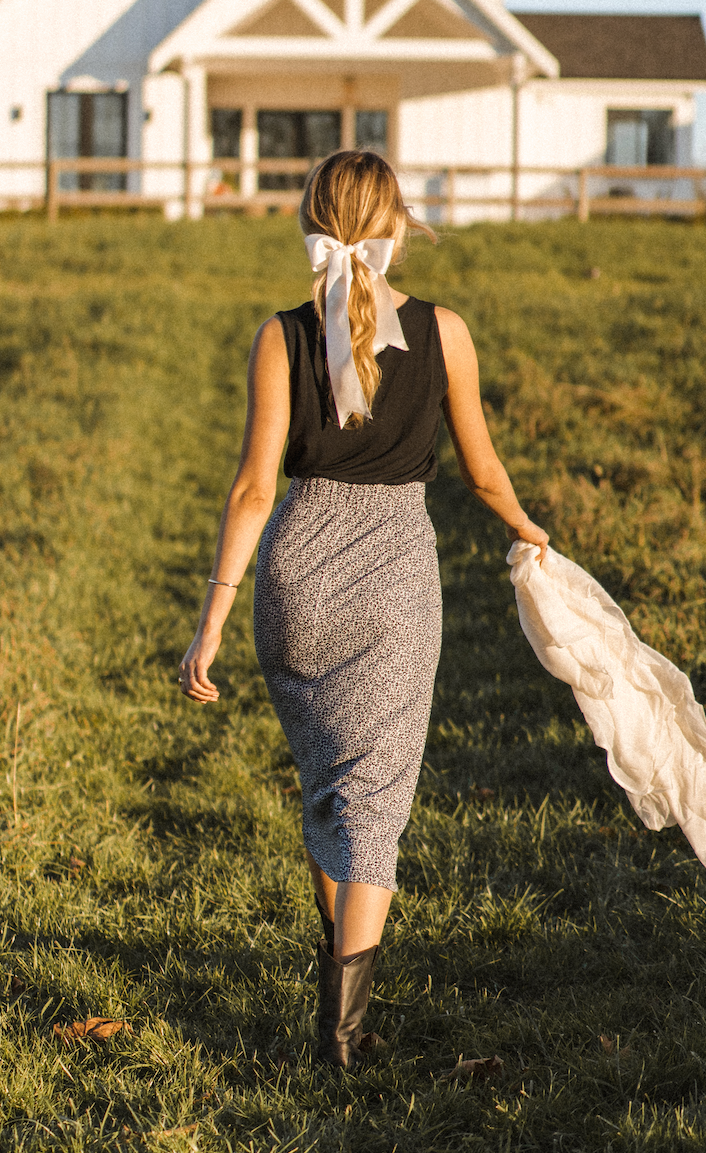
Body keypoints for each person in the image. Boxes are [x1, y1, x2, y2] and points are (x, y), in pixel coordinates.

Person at [178, 151, 549, 1070]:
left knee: (327, 790)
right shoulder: (446, 332)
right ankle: (343, 1041)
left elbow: (254, 490)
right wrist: (528, 528)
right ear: (397, 225)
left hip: (294, 579)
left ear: (309, 218)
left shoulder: (280, 334)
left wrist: (214, 618)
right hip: (393, 579)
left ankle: (335, 974)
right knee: (375, 805)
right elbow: (483, 471)